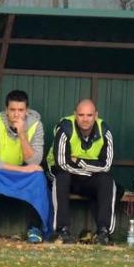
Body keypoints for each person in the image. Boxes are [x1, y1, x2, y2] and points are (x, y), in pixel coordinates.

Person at [0, 90, 50, 244]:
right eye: (12, 110)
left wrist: (22, 134)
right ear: (6, 110)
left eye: (20, 110)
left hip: (24, 174)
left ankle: (35, 228)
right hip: (1, 171)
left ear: (26, 111)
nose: (16, 114)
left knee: (38, 177)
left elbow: (34, 161)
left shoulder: (36, 125)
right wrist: (22, 169)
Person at [46, 99, 118, 245]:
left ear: (96, 115)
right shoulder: (65, 128)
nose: (85, 119)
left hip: (87, 175)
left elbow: (106, 165)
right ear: (75, 115)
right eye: (81, 115)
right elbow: (62, 164)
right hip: (65, 174)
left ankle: (103, 232)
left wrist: (79, 161)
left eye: (89, 115)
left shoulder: (105, 131)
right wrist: (89, 170)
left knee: (107, 180)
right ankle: (62, 231)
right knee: (62, 178)